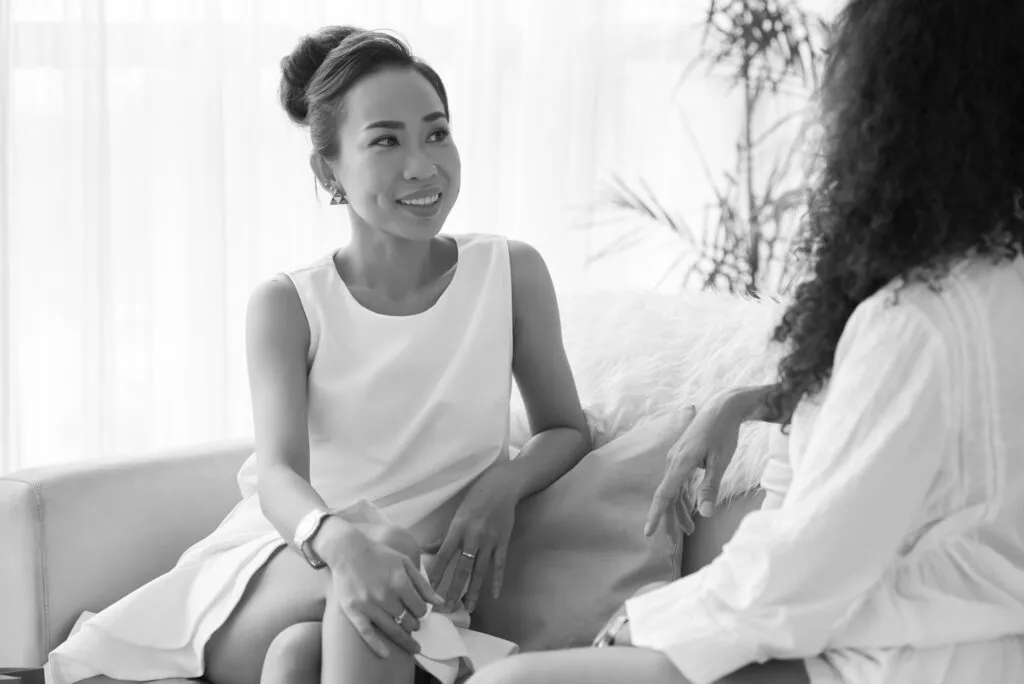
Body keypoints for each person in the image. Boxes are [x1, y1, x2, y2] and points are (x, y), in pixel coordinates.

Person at [467, 0, 1024, 682]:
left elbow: (809, 574)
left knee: (506, 681)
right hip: (955, 639)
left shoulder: (916, 318)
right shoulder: (989, 285)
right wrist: (754, 399)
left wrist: (651, 620)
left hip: (906, 657)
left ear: (895, 113)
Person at [44, 26, 591, 684]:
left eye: (437, 132)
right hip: (287, 558)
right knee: (373, 562)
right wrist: (339, 542)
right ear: (327, 169)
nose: (423, 164)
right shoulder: (286, 304)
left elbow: (565, 428)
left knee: (299, 658)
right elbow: (277, 476)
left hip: (409, 590)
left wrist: (501, 486)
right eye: (386, 140)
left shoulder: (511, 273)